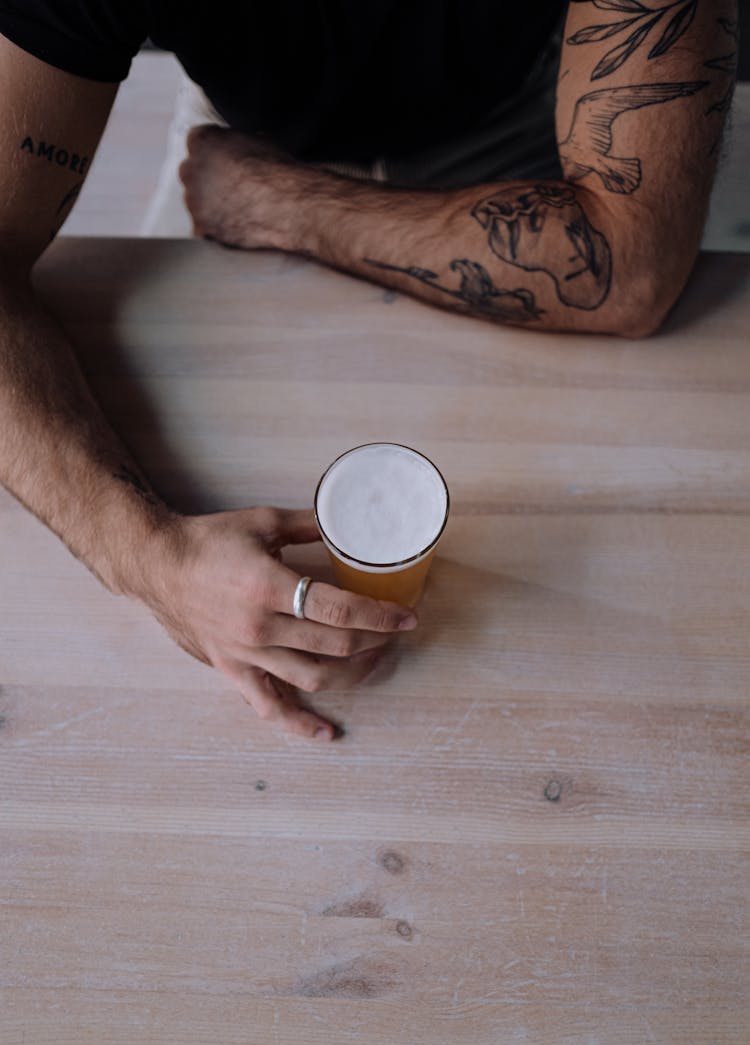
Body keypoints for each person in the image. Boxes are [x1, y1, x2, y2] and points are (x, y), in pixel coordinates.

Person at [0, 1, 737, 738]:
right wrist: (154, 560)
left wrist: (277, 206)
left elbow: (629, 267)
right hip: (244, 144)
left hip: (530, 129)